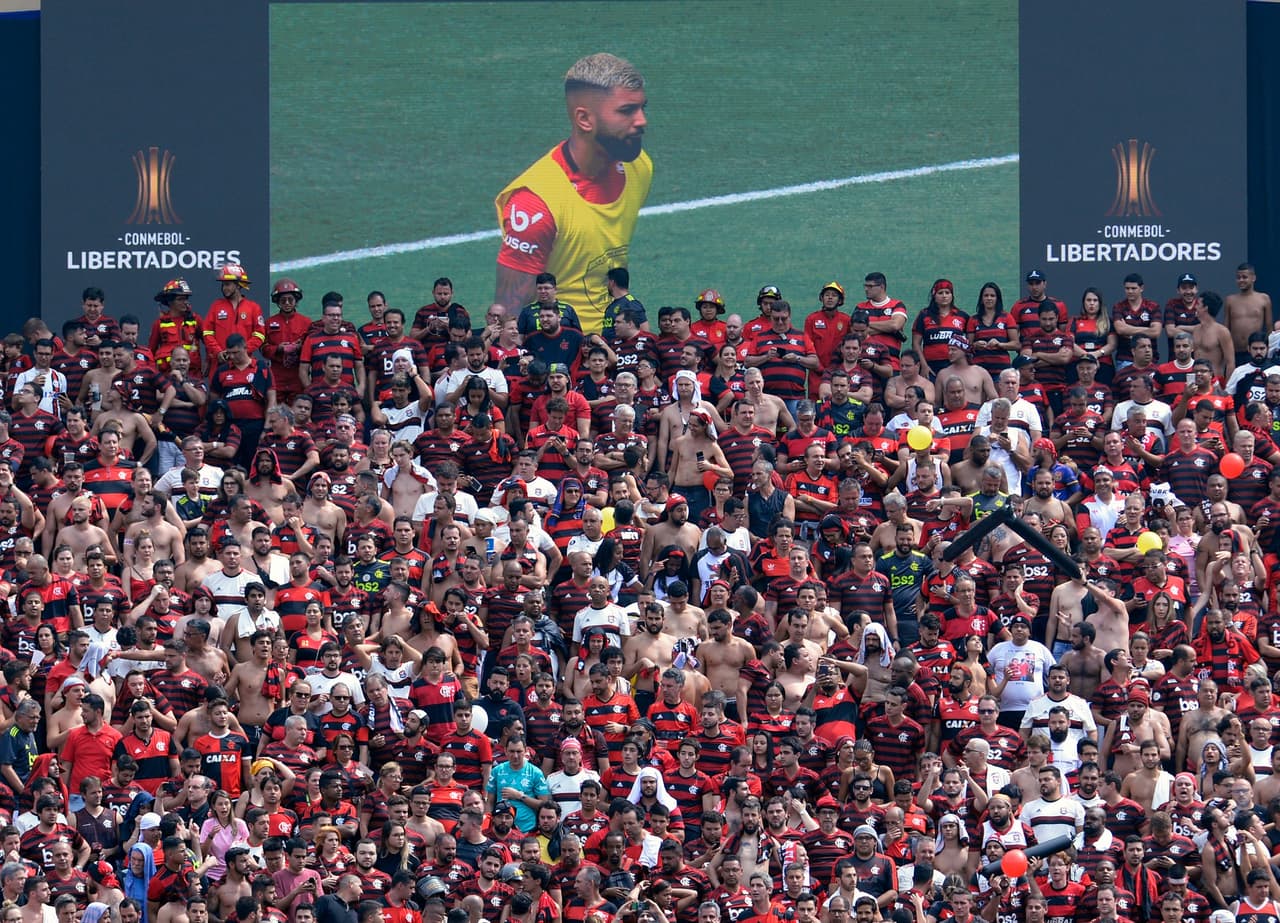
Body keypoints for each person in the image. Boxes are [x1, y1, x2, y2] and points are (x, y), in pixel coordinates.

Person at [494, 54, 652, 334]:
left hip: (617, 337)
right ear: (585, 119)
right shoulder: (535, 204)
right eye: (627, 111)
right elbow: (508, 315)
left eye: (642, 108)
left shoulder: (638, 167)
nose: (642, 121)